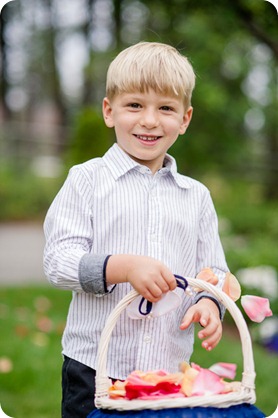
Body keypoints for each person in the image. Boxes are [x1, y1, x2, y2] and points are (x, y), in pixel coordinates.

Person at [43, 41, 229, 418]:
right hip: (96, 367)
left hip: (169, 370)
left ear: (185, 119)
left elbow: (215, 271)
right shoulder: (86, 181)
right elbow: (59, 261)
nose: (149, 120)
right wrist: (123, 268)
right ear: (109, 111)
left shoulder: (196, 196)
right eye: (134, 105)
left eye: (165, 108)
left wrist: (210, 302)